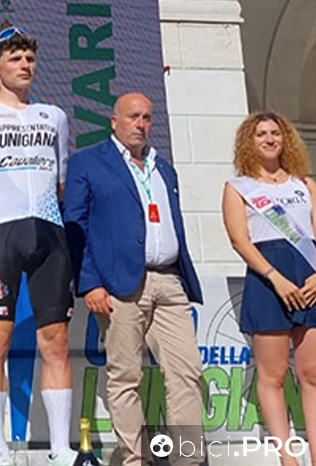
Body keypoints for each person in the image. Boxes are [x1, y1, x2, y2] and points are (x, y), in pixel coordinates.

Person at [0, 26, 78, 466]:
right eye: (15, 58)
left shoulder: (54, 116)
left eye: (30, 58)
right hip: (2, 235)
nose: (25, 65)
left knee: (56, 341)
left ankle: (60, 447)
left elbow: (59, 183)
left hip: (49, 235)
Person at [62, 93, 204, 466]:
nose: (140, 124)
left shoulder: (163, 168)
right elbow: (74, 225)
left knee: (187, 372)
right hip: (119, 285)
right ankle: (135, 460)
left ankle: (187, 460)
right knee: (125, 377)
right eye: (132, 116)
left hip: (169, 280)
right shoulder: (88, 162)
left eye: (147, 117)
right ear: (114, 121)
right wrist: (89, 282)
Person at [222, 111, 316, 466]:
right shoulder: (238, 187)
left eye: (275, 133)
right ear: (249, 141)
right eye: (261, 134)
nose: (269, 139)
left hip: (310, 280)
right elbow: (239, 240)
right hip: (268, 280)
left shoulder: (304, 184)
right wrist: (274, 277)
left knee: (314, 373)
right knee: (273, 375)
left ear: (285, 139)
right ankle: (287, 459)